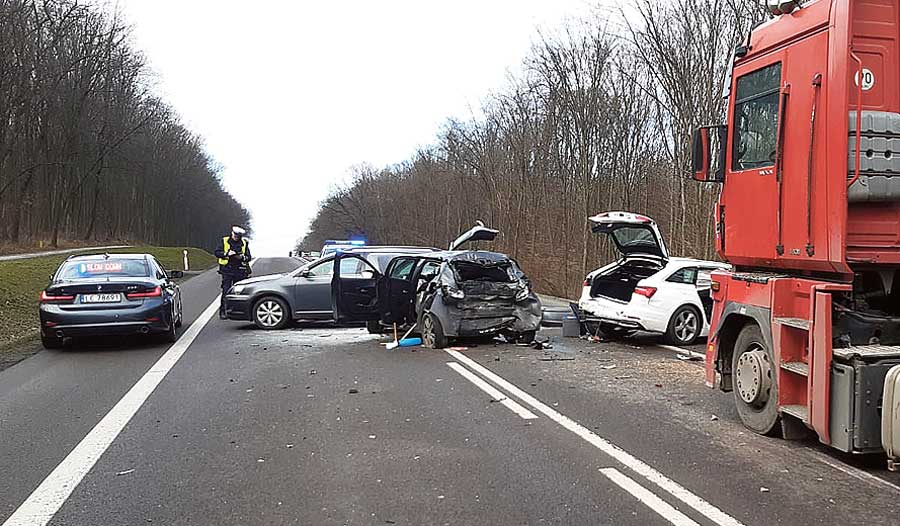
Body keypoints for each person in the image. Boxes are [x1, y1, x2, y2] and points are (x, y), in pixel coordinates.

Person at [215, 225, 252, 319]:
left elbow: (248, 257)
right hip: (227, 270)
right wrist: (226, 254)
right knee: (226, 291)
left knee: (239, 292)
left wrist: (242, 257)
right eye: (234, 235)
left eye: (237, 236)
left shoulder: (244, 243)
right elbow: (217, 253)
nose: (235, 237)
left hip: (240, 270)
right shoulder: (224, 241)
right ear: (232, 233)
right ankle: (223, 311)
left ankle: (237, 312)